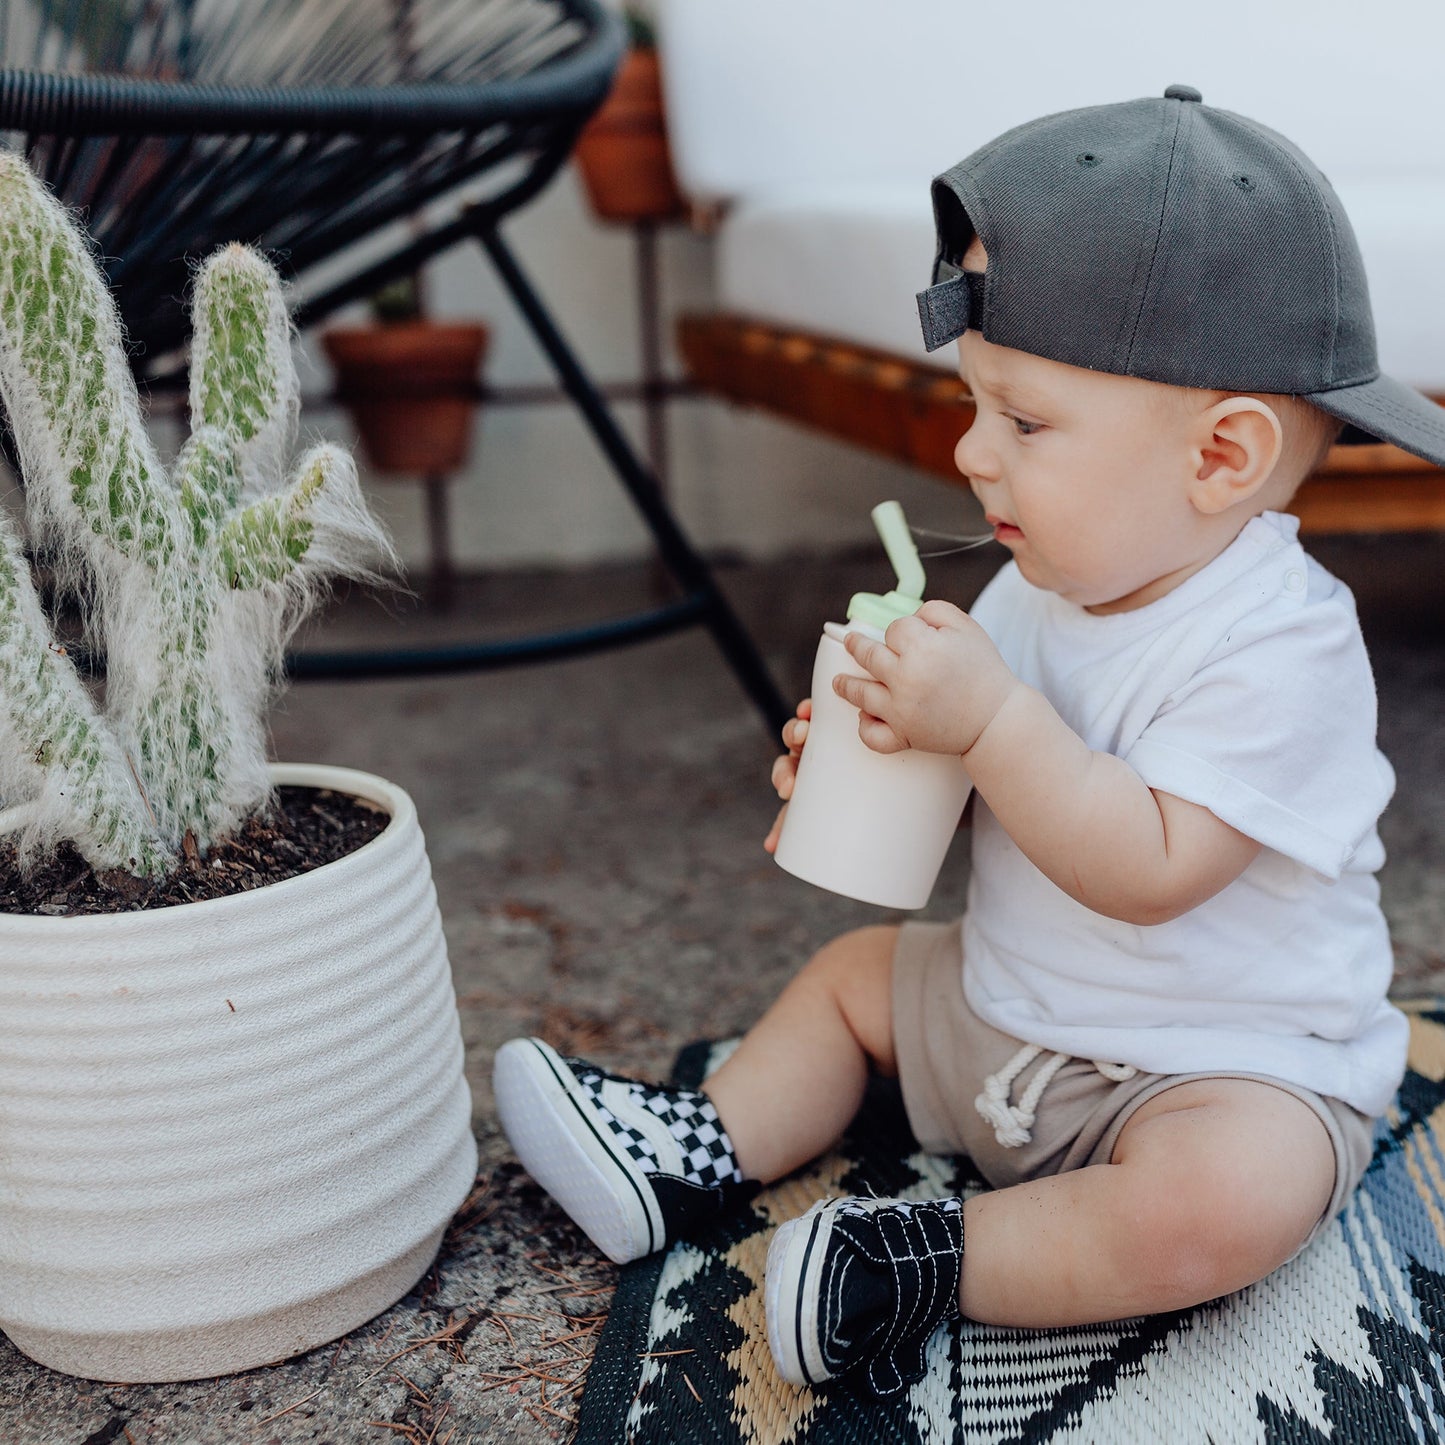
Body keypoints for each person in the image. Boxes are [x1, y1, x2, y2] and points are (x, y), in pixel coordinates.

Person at [494, 86, 1445, 1400]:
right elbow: (991, 805)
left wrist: (990, 719)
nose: (969, 451)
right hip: (1003, 1017)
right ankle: (693, 1150)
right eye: (974, 404)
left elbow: (1150, 864)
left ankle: (920, 1263)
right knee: (851, 978)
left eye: (1025, 421)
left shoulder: (1283, 645)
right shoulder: (1039, 583)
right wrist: (879, 757)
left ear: (1220, 455)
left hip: (1207, 1068)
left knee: (1226, 1202)